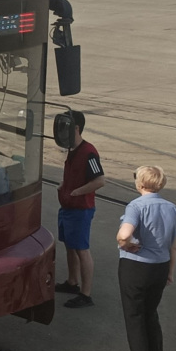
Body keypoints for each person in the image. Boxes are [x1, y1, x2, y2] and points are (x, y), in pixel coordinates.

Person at [117, 165, 176, 351]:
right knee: (151, 315)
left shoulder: (136, 206)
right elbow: (174, 247)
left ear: (140, 183)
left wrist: (128, 243)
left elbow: (123, 235)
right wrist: (170, 273)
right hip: (160, 268)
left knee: (134, 316)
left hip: (136, 268)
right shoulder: (171, 208)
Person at [55, 110, 106, 308]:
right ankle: (72, 282)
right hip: (68, 207)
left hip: (80, 209)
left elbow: (100, 180)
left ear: (76, 128)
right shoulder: (72, 150)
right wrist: (64, 185)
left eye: (65, 126)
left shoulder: (89, 152)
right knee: (70, 245)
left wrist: (76, 192)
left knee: (81, 250)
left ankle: (85, 294)